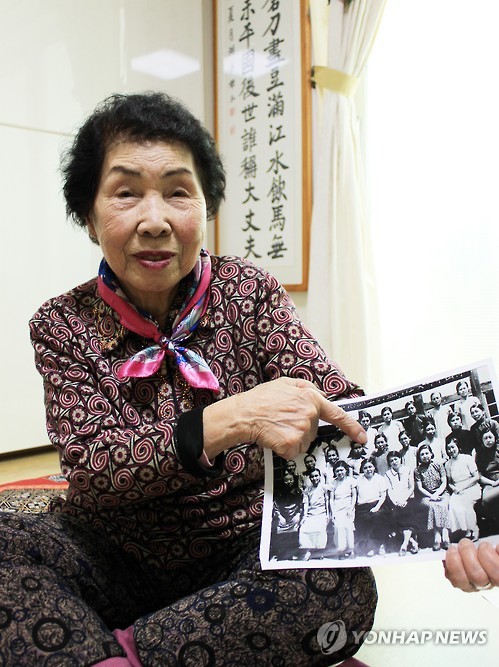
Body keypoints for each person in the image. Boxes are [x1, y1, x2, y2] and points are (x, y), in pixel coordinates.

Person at [0, 92, 375, 666]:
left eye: (178, 192)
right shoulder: (62, 322)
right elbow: (93, 469)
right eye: (126, 193)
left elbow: (340, 410)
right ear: (88, 216)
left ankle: (119, 653)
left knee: (339, 583)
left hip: (242, 553)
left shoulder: (248, 292)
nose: (155, 221)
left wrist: (448, 524)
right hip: (111, 553)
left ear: (206, 206)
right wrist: (230, 419)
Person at [414, 444, 451, 551]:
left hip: (442, 493)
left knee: (443, 504)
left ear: (431, 454)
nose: (425, 456)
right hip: (426, 496)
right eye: (422, 454)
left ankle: (445, 535)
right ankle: (437, 537)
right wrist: (431, 496)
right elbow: (420, 488)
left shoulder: (438, 465)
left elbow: (444, 483)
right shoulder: (417, 470)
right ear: (419, 457)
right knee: (433, 506)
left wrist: (437, 494)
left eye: (427, 453)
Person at [444, 438, 481, 541]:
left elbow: (476, 477)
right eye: (448, 449)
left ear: (458, 447)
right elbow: (449, 482)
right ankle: (466, 530)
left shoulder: (467, 458)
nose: (451, 450)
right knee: (453, 503)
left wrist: (462, 487)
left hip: (471, 486)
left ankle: (474, 529)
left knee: (466, 503)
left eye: (453, 447)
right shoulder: (448, 464)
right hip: (457, 490)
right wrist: (454, 489)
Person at [384, 450, 419, 556]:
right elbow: (389, 490)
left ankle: (405, 543)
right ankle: (411, 542)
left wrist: (404, 499)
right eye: (391, 461)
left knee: (407, 512)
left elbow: (411, 487)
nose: (394, 462)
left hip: (408, 498)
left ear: (400, 459)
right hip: (395, 501)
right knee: (396, 514)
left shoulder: (408, 470)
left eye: (396, 459)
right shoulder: (387, 474)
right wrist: (396, 502)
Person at [355, 458, 388, 557]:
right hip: (362, 507)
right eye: (365, 468)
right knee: (363, 519)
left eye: (370, 467)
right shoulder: (358, 480)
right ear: (362, 469)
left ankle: (380, 545)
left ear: (374, 467)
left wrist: (377, 507)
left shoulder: (380, 479)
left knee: (378, 517)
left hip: (378, 504)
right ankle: (370, 547)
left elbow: (383, 496)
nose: (368, 469)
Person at [298, 468, 331, 561]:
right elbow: (306, 504)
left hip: (321, 513)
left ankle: (318, 552)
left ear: (320, 476)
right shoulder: (307, 490)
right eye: (312, 477)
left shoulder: (324, 487)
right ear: (310, 478)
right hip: (311, 514)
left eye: (316, 476)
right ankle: (307, 551)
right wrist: (304, 516)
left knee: (320, 529)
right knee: (304, 529)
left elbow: (327, 501)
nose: (314, 478)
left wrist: (328, 514)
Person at [271, 470, 303, 560]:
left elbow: (301, 505)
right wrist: (280, 516)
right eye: (286, 480)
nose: (289, 482)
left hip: (294, 516)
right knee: (279, 529)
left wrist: (298, 515)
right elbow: (276, 506)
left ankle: (294, 553)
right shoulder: (279, 493)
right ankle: (282, 553)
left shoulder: (298, 492)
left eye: (291, 480)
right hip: (283, 516)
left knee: (295, 530)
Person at [330, 460, 357, 559]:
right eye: (337, 471)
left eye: (341, 470)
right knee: (338, 528)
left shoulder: (351, 481)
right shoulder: (333, 483)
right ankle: (341, 550)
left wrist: (351, 508)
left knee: (348, 527)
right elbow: (331, 499)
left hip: (348, 509)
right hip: (337, 509)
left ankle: (351, 550)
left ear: (346, 470)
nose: (340, 473)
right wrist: (333, 512)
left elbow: (354, 496)